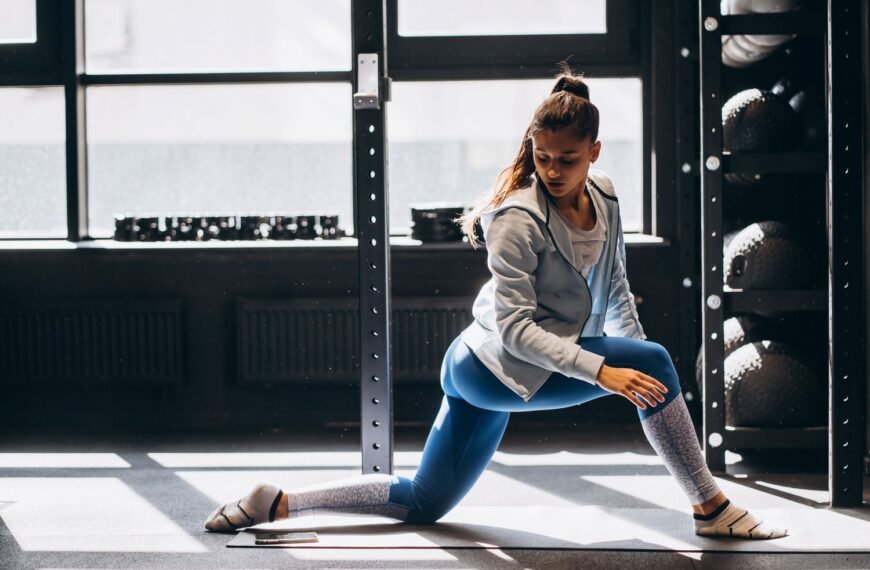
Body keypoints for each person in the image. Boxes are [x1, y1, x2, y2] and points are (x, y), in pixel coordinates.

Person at [205, 70, 787, 540]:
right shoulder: (516, 219)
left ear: (594, 152)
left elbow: (614, 292)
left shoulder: (605, 194)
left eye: (567, 159)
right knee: (656, 361)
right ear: (531, 151)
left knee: (424, 503)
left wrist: (624, 361)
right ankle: (709, 506)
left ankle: (279, 501)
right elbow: (512, 330)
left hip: (501, 369)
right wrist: (605, 369)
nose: (553, 171)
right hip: (488, 367)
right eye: (542, 158)